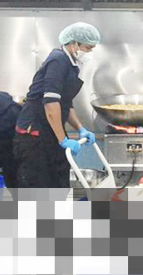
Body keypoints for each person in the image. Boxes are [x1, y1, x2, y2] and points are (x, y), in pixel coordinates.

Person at [13, 22, 100, 188]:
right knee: (39, 185)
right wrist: (63, 140)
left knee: (58, 180)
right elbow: (51, 102)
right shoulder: (58, 60)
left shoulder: (71, 64)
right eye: (88, 48)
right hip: (35, 133)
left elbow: (64, 102)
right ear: (74, 43)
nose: (90, 53)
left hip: (50, 130)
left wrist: (81, 128)